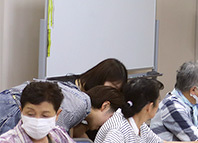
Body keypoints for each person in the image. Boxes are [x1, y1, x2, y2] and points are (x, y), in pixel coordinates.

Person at [0, 58, 128, 135]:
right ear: (105, 106)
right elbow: (55, 135)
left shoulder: (79, 97)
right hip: (13, 106)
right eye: (112, 87)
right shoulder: (81, 104)